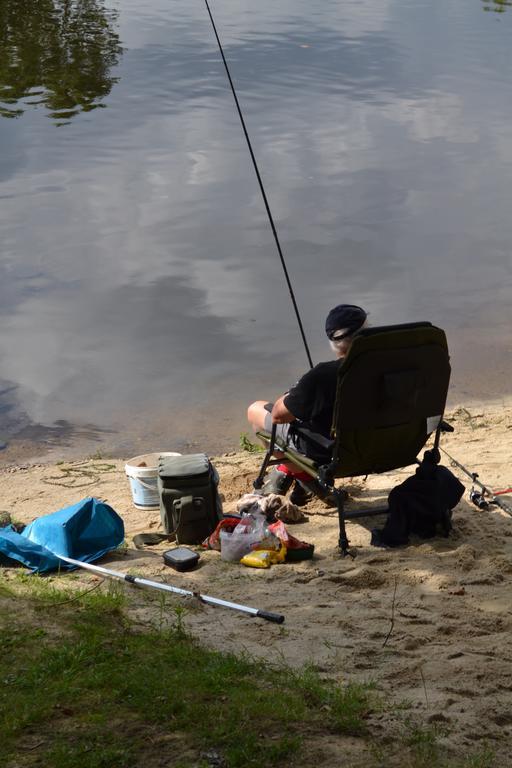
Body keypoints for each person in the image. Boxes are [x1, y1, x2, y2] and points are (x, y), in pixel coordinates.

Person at [247, 304, 368, 505]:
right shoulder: (388, 366)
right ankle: (286, 471)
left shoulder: (324, 375)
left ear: (334, 343)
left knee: (255, 410)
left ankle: (308, 481)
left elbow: (279, 415)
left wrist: (292, 392)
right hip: (383, 448)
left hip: (334, 455)